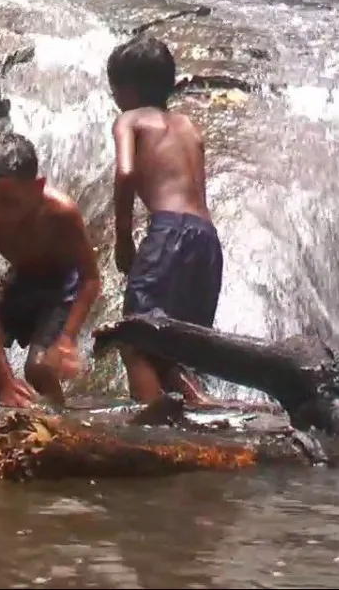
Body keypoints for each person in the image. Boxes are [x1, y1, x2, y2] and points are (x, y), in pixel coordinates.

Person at [106, 34, 225, 405]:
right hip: (206, 240)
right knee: (178, 345)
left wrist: (123, 237)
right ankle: (200, 405)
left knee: (136, 337)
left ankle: (153, 423)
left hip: (169, 231)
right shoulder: (189, 127)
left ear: (126, 89)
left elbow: (125, 174)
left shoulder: (130, 119)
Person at [0, 133, 102, 408]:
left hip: (61, 286)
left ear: (37, 188)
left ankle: (61, 424)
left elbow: (91, 279)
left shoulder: (61, 213)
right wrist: (4, 380)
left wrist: (66, 340)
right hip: (20, 281)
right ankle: (2, 408)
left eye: (10, 202)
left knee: (39, 367)